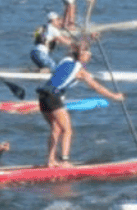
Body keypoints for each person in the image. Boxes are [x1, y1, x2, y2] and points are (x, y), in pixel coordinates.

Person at [36, 39, 124, 167]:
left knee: (56, 129)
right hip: (53, 96)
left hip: (42, 95)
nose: (89, 57)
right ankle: (64, 161)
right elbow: (97, 87)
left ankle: (51, 161)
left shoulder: (65, 60)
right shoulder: (80, 71)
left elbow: (76, 46)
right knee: (67, 130)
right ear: (82, 54)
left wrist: (91, 37)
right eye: (88, 54)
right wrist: (114, 96)